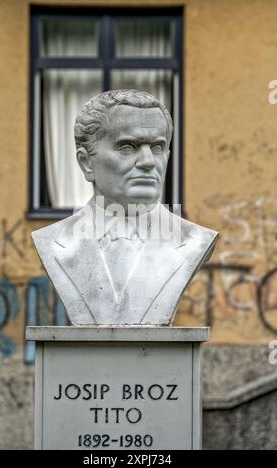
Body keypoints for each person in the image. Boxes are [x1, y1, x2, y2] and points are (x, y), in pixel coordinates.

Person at [32, 89, 218, 325]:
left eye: (157, 148)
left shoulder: (194, 241)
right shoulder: (53, 241)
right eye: (127, 147)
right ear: (86, 162)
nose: (148, 162)